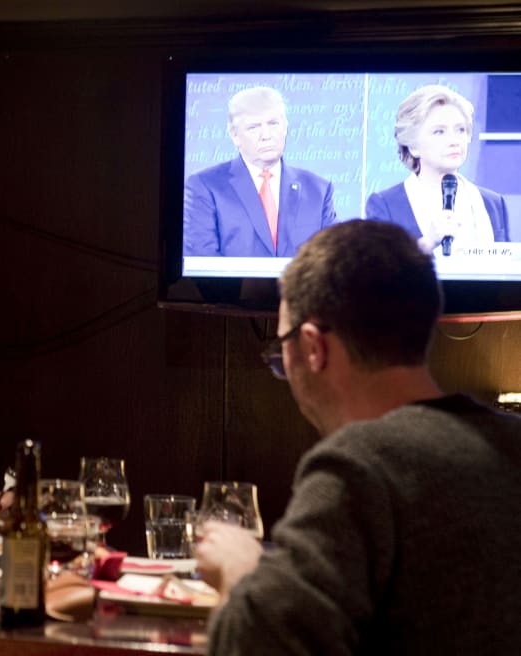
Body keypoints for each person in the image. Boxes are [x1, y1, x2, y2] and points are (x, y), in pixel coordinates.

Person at [195, 219, 521, 654]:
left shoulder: (358, 467)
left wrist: (242, 572)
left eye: (281, 351)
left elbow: (260, 645)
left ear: (313, 347)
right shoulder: (512, 443)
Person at [184, 85, 337, 257]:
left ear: (285, 127)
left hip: (302, 285)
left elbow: (330, 262)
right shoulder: (205, 186)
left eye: (273, 123)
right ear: (234, 135)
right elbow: (202, 260)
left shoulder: (319, 190)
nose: (266, 135)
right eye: (253, 127)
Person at [366, 84, 509, 253]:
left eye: (460, 130)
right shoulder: (385, 204)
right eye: (439, 132)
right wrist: (427, 243)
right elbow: (374, 271)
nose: (454, 140)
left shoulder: (493, 203)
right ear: (413, 146)